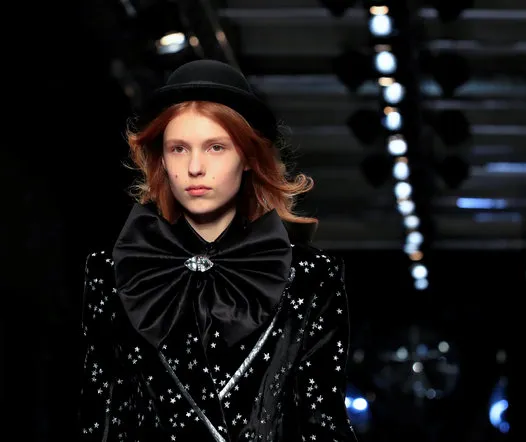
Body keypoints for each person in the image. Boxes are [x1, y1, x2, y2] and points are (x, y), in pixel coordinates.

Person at [77, 59, 359, 441]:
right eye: (178, 148)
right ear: (161, 159)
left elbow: (322, 423)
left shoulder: (310, 276)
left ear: (247, 158)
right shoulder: (116, 270)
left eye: (215, 147)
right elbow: (102, 418)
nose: (195, 167)